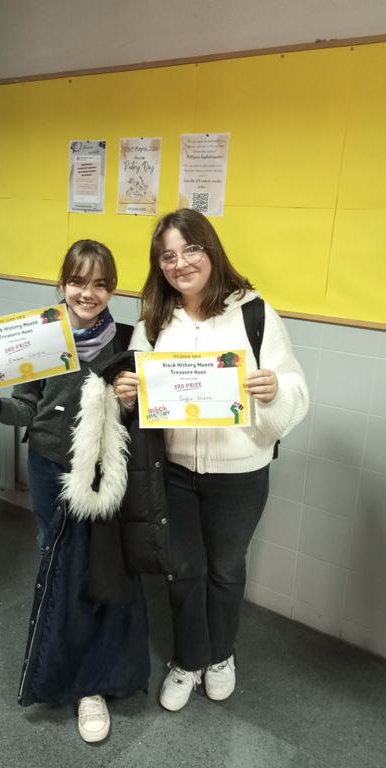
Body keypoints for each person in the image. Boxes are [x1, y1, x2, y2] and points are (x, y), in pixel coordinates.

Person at [113, 208, 309, 713]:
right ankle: (188, 659)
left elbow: (295, 387)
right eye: (168, 256)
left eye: (191, 249)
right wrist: (126, 394)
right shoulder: (154, 320)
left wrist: (274, 390)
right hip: (173, 470)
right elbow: (132, 394)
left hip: (240, 472)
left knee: (224, 569)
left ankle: (220, 655)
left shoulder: (254, 313)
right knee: (183, 569)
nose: (180, 264)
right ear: (159, 265)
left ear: (211, 250)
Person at [0, 240, 150, 742]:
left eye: (100, 284)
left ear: (113, 289)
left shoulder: (129, 340)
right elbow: (27, 410)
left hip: (105, 476)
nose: (88, 293)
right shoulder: (43, 338)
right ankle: (60, 664)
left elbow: (144, 419)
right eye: (78, 281)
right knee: (54, 565)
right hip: (49, 469)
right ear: (62, 283)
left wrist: (132, 400)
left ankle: (92, 682)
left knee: (99, 571)